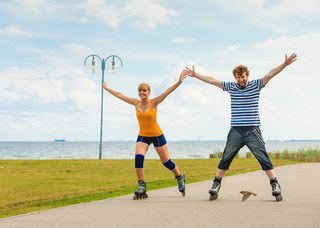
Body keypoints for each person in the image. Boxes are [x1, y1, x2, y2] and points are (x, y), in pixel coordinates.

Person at [185, 53, 297, 201]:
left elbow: (270, 74)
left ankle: (275, 184)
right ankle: (216, 185)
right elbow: (213, 81)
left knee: (263, 157)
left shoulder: (256, 85)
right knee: (226, 157)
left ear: (247, 75)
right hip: (236, 130)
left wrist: (284, 64)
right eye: (238, 77)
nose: (241, 79)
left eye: (243, 76)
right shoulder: (231, 87)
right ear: (235, 78)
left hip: (252, 130)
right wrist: (195, 75)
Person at [102, 70, 187, 199]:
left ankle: (179, 177)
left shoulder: (154, 102)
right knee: (138, 158)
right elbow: (120, 95)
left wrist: (179, 82)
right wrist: (107, 89)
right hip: (143, 136)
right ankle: (142, 185)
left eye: (144, 91)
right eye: (140, 91)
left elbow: (167, 92)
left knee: (166, 162)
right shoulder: (136, 103)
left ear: (149, 92)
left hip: (157, 136)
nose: (142, 93)